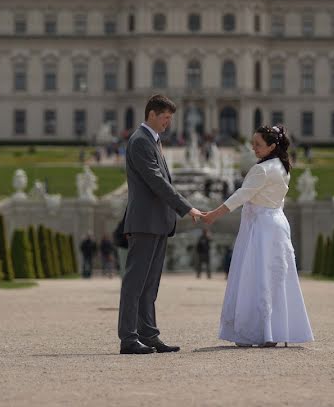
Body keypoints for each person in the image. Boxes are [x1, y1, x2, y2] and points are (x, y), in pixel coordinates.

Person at [201, 124, 314, 348]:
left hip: (261, 227)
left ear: (272, 146)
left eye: (258, 145)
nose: (253, 148)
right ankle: (275, 329)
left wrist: (213, 214)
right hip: (277, 224)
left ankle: (257, 331)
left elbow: (240, 196)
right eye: (253, 143)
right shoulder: (283, 166)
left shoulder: (262, 169)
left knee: (255, 276)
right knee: (276, 278)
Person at [118, 94, 203, 355]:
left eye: (170, 119)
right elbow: (156, 181)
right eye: (165, 118)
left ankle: (148, 334)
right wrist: (186, 206)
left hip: (156, 222)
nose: (168, 123)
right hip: (145, 222)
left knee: (149, 285)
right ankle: (129, 338)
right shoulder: (141, 141)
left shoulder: (151, 141)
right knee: (135, 283)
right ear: (152, 114)